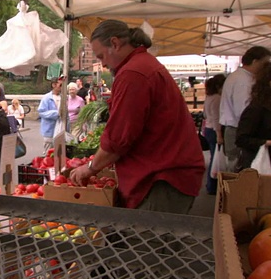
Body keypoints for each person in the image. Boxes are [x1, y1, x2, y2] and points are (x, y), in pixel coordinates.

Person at [69, 19, 205, 214]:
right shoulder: (143, 64)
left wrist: (90, 167)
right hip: (170, 173)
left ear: (115, 43)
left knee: (147, 242)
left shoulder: (133, 73)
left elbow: (119, 138)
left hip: (161, 179)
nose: (104, 64)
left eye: (101, 56)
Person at [219, 46, 271, 172]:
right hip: (237, 130)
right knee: (238, 169)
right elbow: (243, 112)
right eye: (264, 63)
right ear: (255, 61)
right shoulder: (243, 80)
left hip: (234, 129)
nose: (265, 67)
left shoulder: (238, 77)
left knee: (235, 167)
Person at [203, 74, 227, 195]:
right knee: (216, 159)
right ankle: (212, 185)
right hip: (214, 130)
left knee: (214, 157)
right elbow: (216, 118)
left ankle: (210, 185)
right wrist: (219, 134)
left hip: (208, 128)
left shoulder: (209, 97)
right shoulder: (217, 98)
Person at [37, 78, 62, 156]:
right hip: (49, 130)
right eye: (60, 85)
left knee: (60, 152)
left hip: (61, 129)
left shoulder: (64, 97)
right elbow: (41, 112)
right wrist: (56, 113)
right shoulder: (47, 98)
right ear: (54, 85)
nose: (62, 87)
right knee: (49, 153)